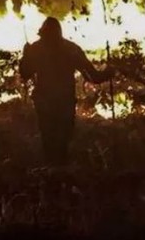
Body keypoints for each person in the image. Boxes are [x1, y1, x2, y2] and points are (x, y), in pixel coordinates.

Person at [19, 17, 114, 166]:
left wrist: (25, 56)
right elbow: (93, 76)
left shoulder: (37, 49)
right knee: (61, 141)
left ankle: (53, 173)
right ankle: (60, 173)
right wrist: (108, 73)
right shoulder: (71, 49)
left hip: (48, 103)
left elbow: (25, 73)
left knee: (50, 141)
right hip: (63, 102)